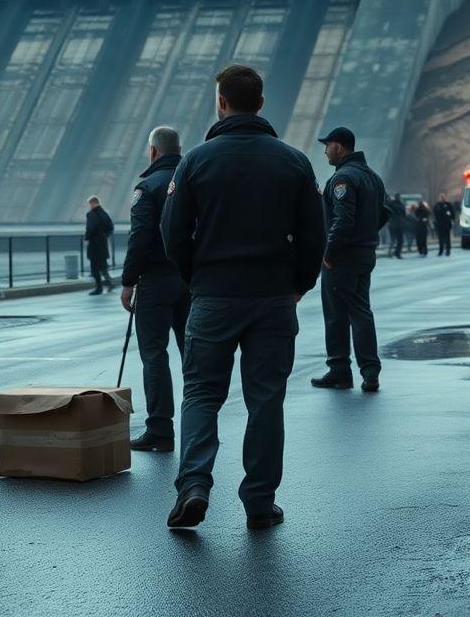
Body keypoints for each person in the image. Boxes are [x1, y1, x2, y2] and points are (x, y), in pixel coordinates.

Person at [160, 64, 325, 531]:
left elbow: (173, 235)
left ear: (221, 102)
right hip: (273, 297)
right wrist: (300, 285)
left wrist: (197, 278)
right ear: (262, 103)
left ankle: (193, 485)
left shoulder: (195, 160)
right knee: (266, 400)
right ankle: (258, 501)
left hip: (213, 295)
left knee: (200, 395)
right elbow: (315, 236)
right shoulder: (294, 161)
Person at [120, 125, 190, 453]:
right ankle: (200, 423)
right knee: (195, 353)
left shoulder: (148, 187)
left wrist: (128, 282)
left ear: (153, 151)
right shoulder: (195, 180)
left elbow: (140, 238)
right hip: (192, 279)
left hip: (156, 281)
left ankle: (160, 429)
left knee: (154, 354)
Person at [311, 127, 388, 393]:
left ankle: (341, 369)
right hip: (365, 254)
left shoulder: (343, 179)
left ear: (340, 147)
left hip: (342, 257)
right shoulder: (372, 177)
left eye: (327, 146)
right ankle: (367, 371)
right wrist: (366, 237)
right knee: (360, 310)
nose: (325, 151)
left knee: (338, 314)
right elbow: (384, 213)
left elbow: (342, 220)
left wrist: (329, 254)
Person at [85, 196, 115, 294]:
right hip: (103, 244)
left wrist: (87, 237)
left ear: (92, 203)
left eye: (89, 204)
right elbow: (111, 227)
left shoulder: (91, 215)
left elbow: (91, 228)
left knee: (94, 268)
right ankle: (110, 283)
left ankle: (99, 288)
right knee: (102, 266)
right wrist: (105, 235)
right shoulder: (104, 214)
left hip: (94, 244)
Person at [385, 193, 406, 259]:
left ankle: (392, 252)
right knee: (400, 240)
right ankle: (397, 253)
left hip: (393, 224)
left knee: (393, 240)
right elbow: (404, 215)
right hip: (398, 224)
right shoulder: (401, 205)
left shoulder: (391, 204)